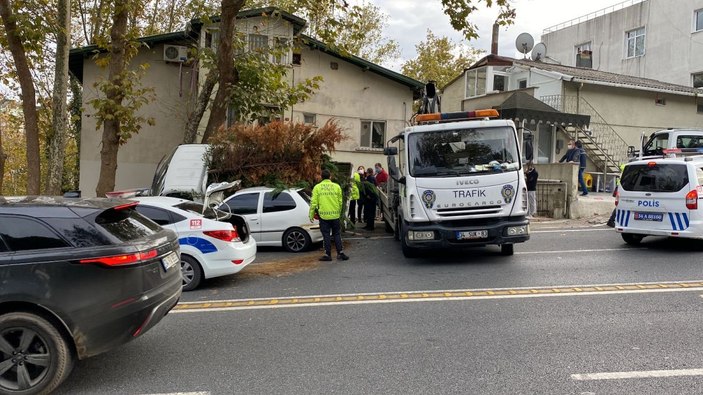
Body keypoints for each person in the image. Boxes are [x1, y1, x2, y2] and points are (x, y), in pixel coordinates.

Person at [309, 169, 349, 261]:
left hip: (324, 216)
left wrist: (311, 215)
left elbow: (313, 203)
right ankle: (340, 253)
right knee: (337, 234)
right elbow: (340, 202)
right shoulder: (337, 186)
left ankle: (328, 254)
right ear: (330, 177)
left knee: (326, 235)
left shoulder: (317, 187)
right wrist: (338, 213)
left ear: (321, 177)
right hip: (335, 215)